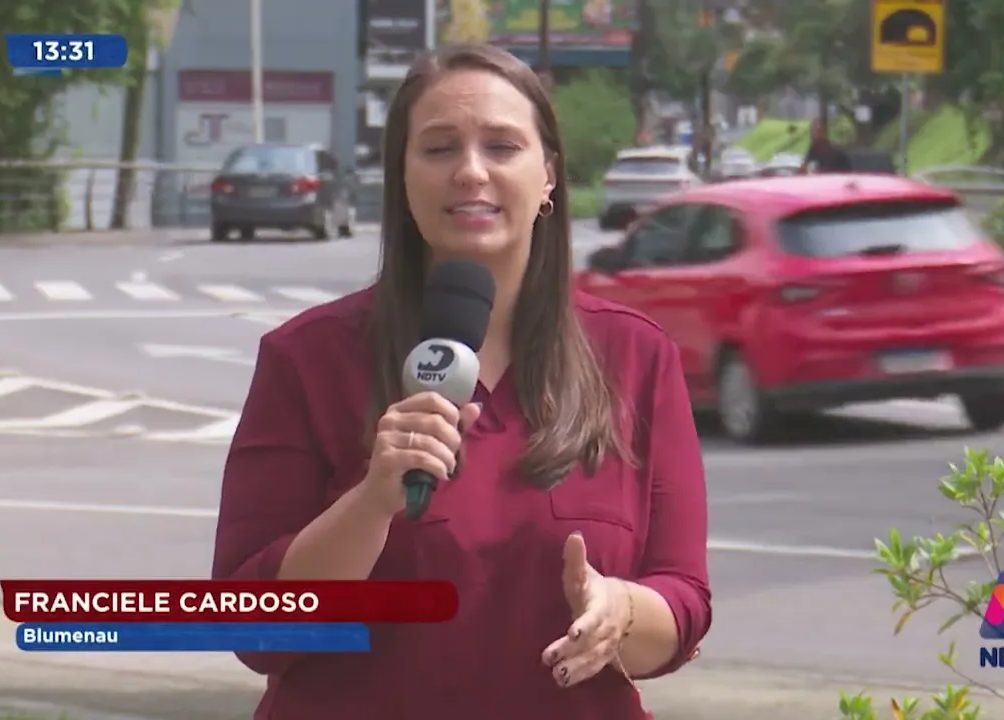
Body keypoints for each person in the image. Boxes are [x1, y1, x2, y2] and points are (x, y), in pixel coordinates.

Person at [210, 43, 712, 719]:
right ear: (403, 176)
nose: (471, 172)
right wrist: (371, 503)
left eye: (502, 146)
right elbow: (251, 627)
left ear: (549, 176)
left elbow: (683, 602)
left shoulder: (634, 355)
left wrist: (619, 611)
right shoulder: (307, 359)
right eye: (440, 149)